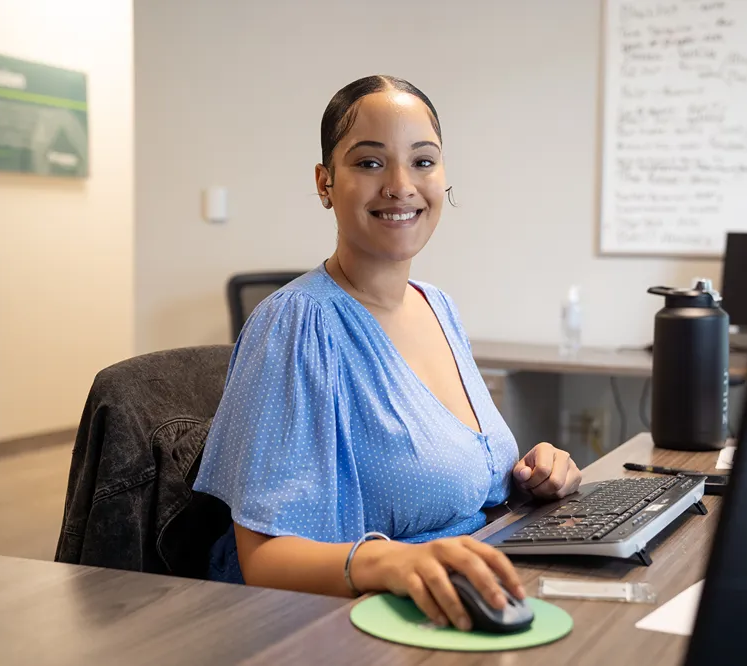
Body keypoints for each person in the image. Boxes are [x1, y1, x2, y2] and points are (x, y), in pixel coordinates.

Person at [193, 75, 582, 632]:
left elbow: (453, 476)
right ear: (326, 183)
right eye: (370, 163)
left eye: (423, 161)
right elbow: (262, 561)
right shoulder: (297, 323)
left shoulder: (439, 307)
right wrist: (396, 562)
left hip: (461, 589)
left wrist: (533, 475)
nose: (401, 185)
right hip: (335, 624)